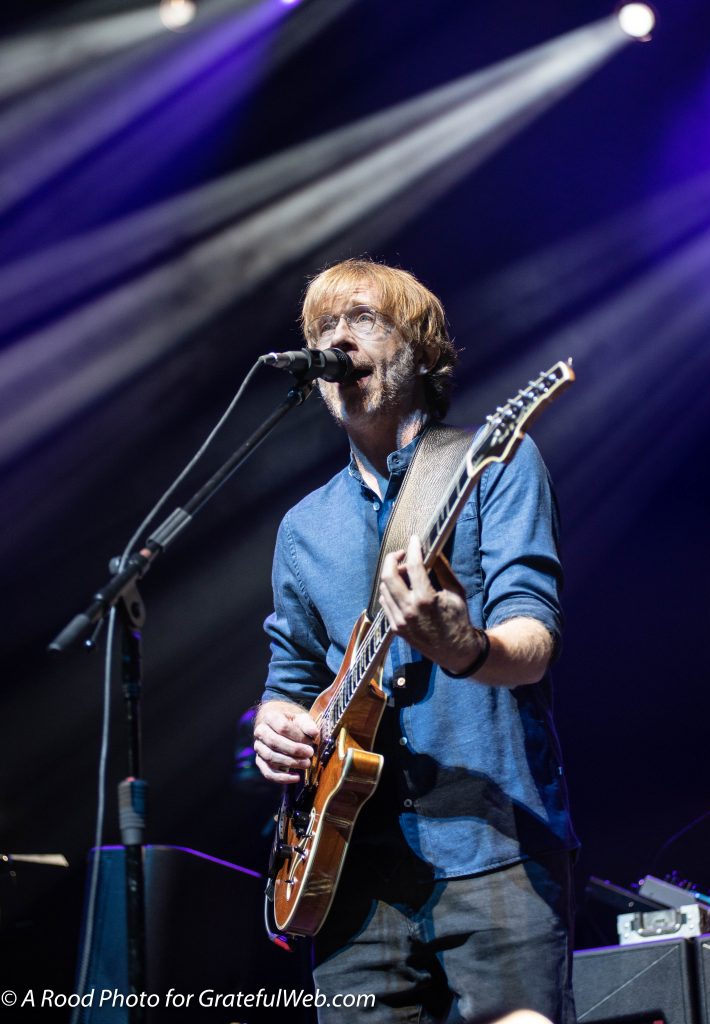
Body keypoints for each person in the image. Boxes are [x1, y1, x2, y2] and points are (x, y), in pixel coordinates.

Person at [254, 258, 578, 1023]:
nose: (338, 340)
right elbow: (289, 679)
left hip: (494, 850)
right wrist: (276, 724)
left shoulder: (494, 463)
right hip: (349, 880)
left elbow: (535, 637)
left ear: (424, 351)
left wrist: (463, 646)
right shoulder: (303, 529)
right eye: (323, 327)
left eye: (363, 319)